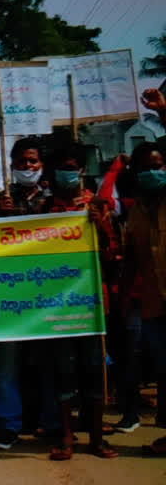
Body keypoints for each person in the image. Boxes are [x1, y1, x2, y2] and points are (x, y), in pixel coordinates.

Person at [40, 143, 118, 461]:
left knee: (94, 369)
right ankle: (67, 437)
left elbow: (112, 255)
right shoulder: (46, 209)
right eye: (63, 167)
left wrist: (98, 224)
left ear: (83, 170)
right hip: (59, 304)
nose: (68, 173)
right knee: (64, 371)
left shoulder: (97, 205)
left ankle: (97, 438)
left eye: (74, 167)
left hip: (93, 302)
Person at [0, 138, 53, 450]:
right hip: (7, 295)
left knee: (47, 362)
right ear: (11, 164)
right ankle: (8, 425)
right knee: (5, 363)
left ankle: (50, 422)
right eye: (22, 162)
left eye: (33, 162)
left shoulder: (54, 199)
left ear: (41, 165)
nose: (28, 167)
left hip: (47, 293)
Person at [123, 90, 166, 455]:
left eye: (160, 165)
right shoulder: (135, 213)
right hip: (153, 306)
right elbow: (132, 261)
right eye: (147, 167)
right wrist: (123, 300)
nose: (155, 172)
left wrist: (164, 114)